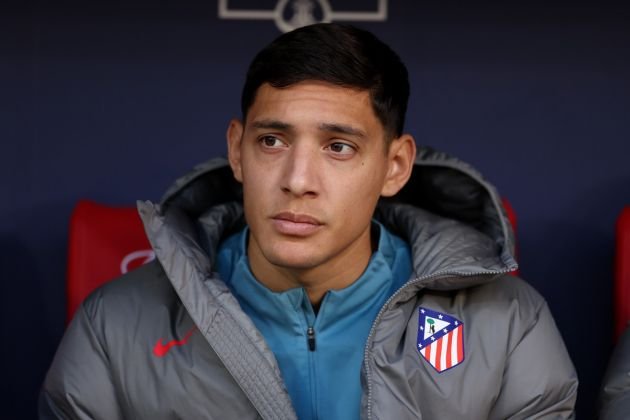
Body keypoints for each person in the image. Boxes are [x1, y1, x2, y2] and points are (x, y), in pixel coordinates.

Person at [40, 23, 578, 419]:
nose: (298, 180)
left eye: (338, 147)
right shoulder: (114, 326)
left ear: (394, 166)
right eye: (272, 141)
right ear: (237, 150)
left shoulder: (509, 324)